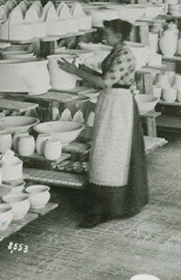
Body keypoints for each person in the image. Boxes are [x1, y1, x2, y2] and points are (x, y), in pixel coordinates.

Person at [57, 19, 148, 227]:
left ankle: (106, 208)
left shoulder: (125, 55)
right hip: (111, 102)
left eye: (107, 34)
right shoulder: (116, 51)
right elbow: (106, 77)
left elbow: (104, 82)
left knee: (110, 155)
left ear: (118, 36)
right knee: (103, 152)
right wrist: (82, 69)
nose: (103, 37)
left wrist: (76, 72)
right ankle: (103, 205)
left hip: (119, 107)